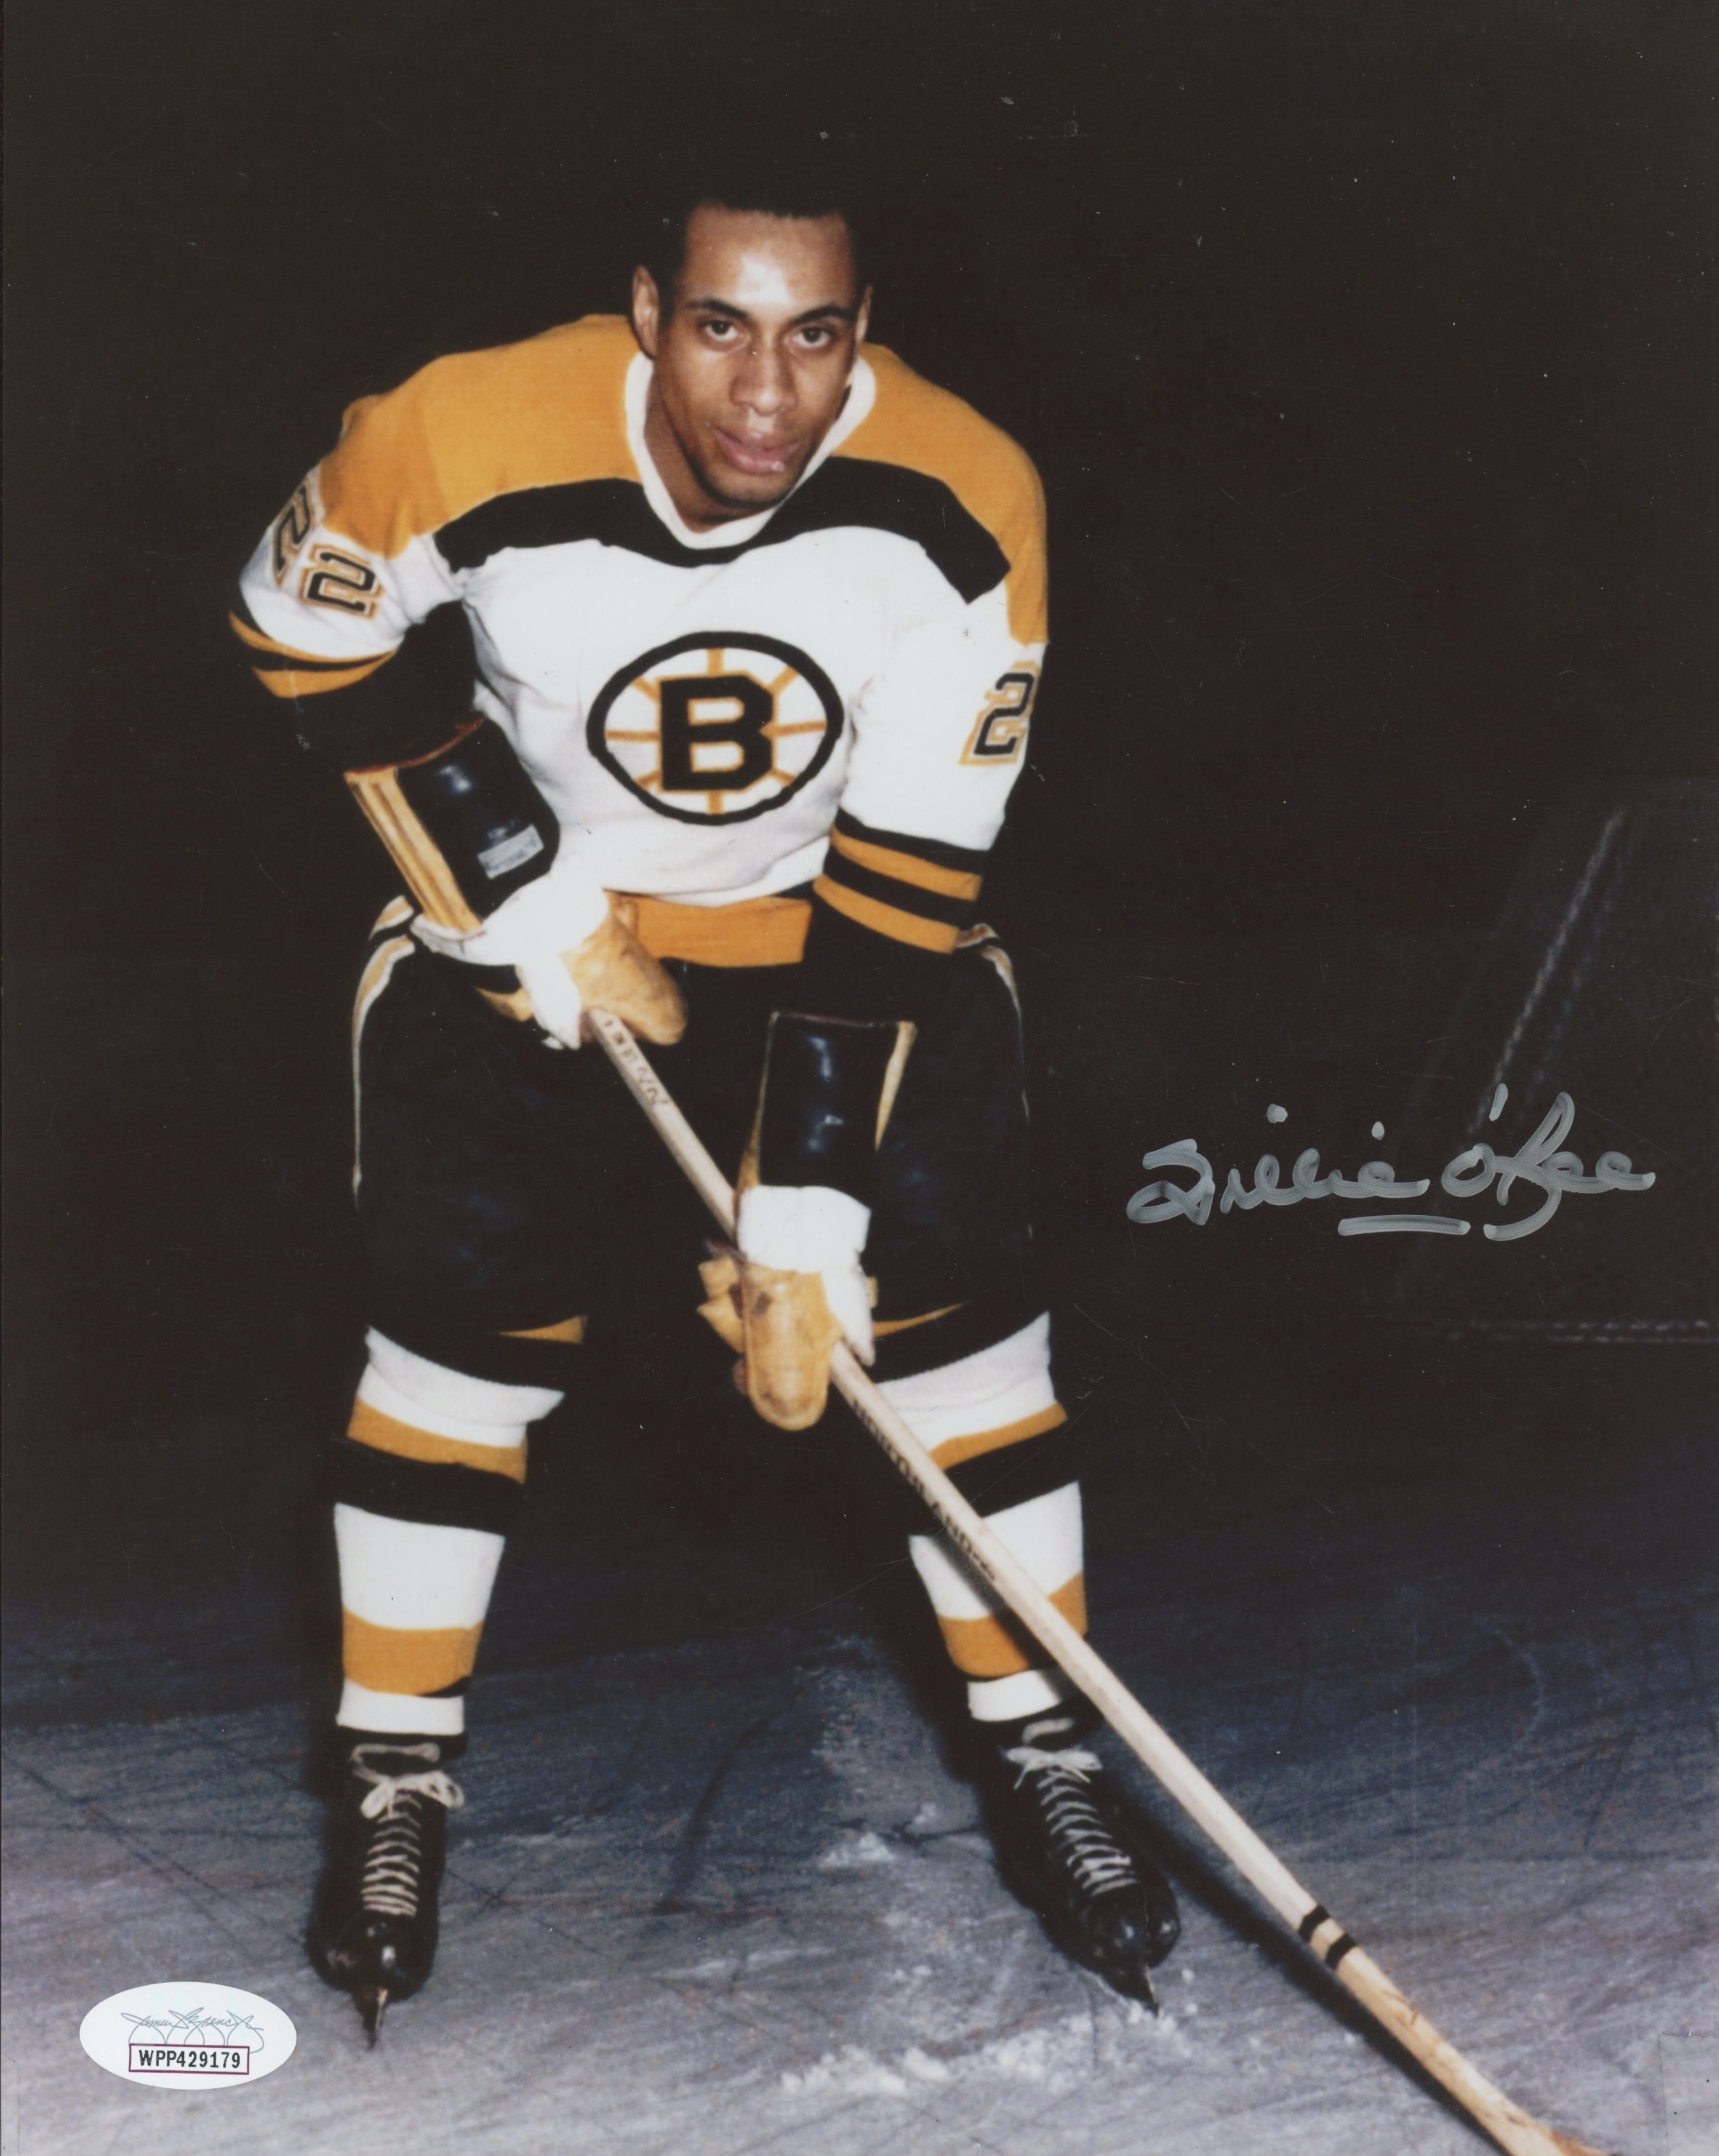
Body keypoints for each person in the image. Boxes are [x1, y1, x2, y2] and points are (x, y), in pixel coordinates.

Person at [232, 151, 1179, 2036]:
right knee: (455, 1356)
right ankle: (396, 1783)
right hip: (533, 940)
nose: (765, 392)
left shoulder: (967, 497)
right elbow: (297, 620)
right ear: (647, 317)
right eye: (721, 329)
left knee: (961, 1350)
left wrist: (809, 1197)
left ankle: (1046, 1752)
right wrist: (518, 886)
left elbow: (909, 875)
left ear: (864, 334)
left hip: (838, 943)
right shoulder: (459, 430)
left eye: (813, 337)